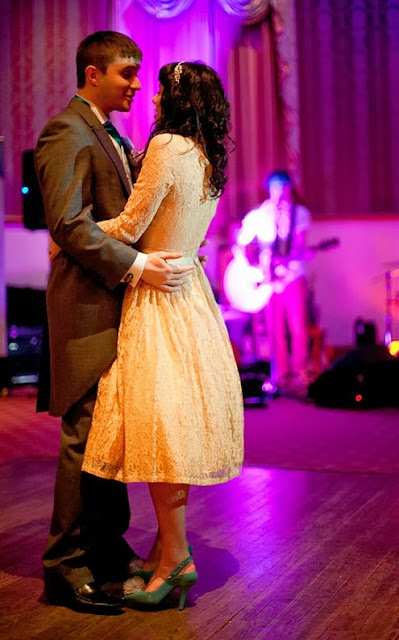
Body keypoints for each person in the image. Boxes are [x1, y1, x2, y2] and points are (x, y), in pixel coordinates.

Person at [35, 31, 195, 612]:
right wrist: (138, 265)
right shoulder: (67, 131)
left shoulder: (109, 132)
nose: (136, 84)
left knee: (111, 438)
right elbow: (69, 225)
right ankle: (65, 565)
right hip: (85, 307)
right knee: (84, 438)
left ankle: (105, 548)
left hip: (117, 305)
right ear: (92, 73)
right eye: (127, 72)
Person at [80, 61, 244, 610]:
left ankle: (175, 557)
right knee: (170, 425)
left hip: (157, 296)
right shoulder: (205, 152)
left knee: (159, 431)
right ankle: (165, 549)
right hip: (191, 291)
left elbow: (130, 226)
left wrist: (71, 236)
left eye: (161, 90)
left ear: (177, 98)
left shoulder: (169, 146)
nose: (150, 99)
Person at [236, 170, 312, 393]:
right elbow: (239, 243)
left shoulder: (300, 214)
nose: (280, 194)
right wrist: (249, 268)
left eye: (284, 189)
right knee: (274, 328)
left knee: (298, 326)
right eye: (276, 188)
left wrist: (296, 257)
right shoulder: (259, 215)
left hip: (293, 276)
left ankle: (301, 373)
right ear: (269, 190)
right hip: (268, 280)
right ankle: (279, 376)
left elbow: (299, 245)